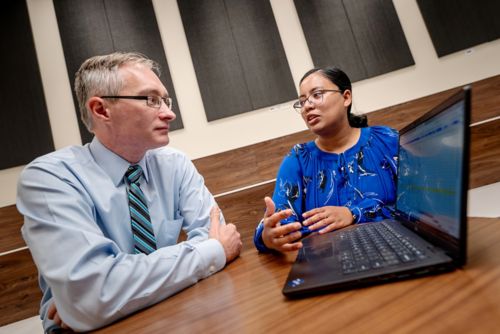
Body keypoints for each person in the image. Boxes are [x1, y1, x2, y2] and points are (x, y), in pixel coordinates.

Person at [17, 52, 242, 332]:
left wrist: (111, 296)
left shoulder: (175, 164)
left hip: (173, 315)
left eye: (165, 100)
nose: (169, 113)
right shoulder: (49, 178)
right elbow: (95, 297)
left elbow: (219, 238)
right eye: (151, 99)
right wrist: (208, 253)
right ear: (101, 110)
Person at [254, 67, 398, 253]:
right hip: (328, 264)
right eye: (302, 101)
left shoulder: (386, 140)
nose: (307, 106)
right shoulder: (298, 159)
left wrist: (353, 214)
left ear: (346, 97)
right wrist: (268, 236)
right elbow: (281, 222)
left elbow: (418, 206)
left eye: (317, 94)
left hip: (395, 248)